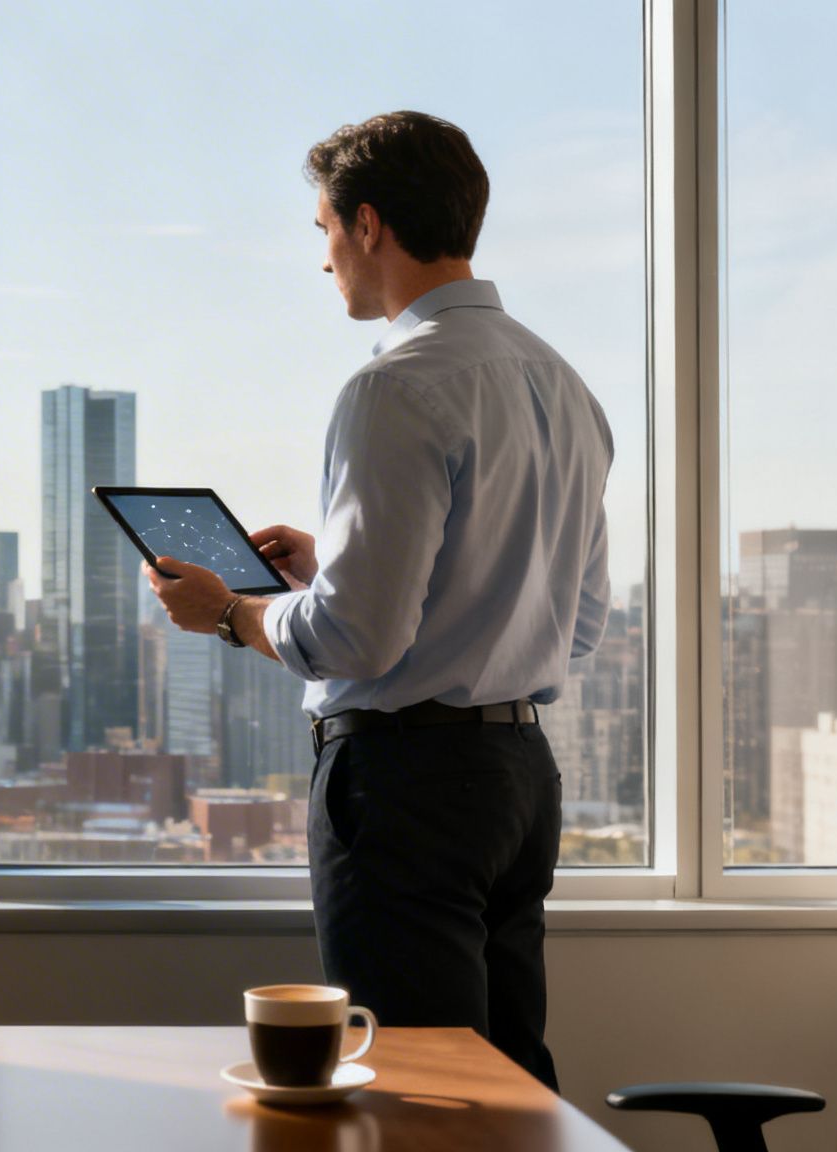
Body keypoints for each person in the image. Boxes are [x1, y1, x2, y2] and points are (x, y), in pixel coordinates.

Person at [145, 110, 613, 1090]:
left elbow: (355, 639)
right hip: (517, 778)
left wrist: (228, 614)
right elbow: (573, 624)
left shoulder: (393, 389)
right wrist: (339, 568)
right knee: (507, 1081)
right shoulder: (563, 386)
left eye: (320, 231)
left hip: (406, 787)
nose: (323, 261)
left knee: (417, 1087)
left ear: (366, 225)